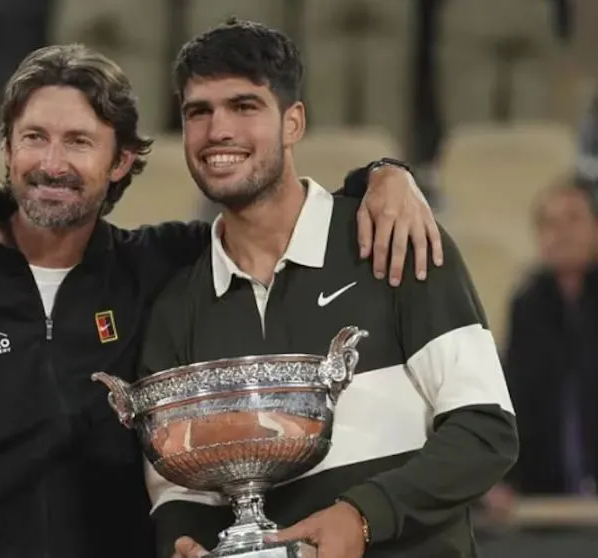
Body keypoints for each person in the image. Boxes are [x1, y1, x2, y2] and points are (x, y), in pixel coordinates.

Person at [0, 42, 441, 558]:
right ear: (6, 150)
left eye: (79, 142)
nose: (51, 163)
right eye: (34, 138)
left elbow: (280, 214)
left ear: (121, 161)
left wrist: (384, 176)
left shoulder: (164, 266)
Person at [138, 21, 518, 558]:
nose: (218, 129)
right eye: (198, 111)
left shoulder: (397, 239)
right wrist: (185, 546)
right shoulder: (177, 306)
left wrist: (361, 517)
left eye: (244, 106)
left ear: (294, 122)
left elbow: (485, 431)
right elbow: (178, 494)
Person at [483, 179, 598, 520]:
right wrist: (500, 478)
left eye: (573, 220)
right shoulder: (528, 304)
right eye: (548, 224)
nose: (560, 234)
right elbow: (514, 397)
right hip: (543, 498)